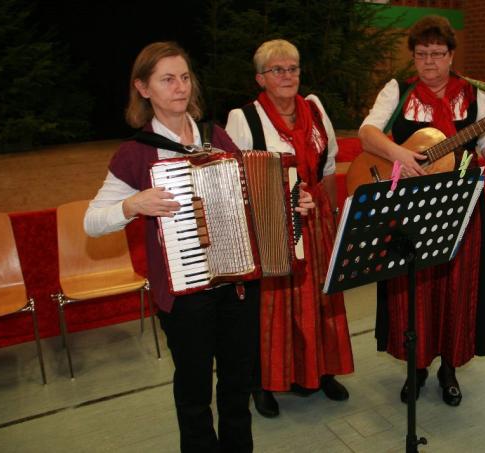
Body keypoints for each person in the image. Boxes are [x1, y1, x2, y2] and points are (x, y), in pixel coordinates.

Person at [83, 41, 315, 452]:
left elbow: (253, 193)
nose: (180, 87)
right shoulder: (135, 154)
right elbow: (93, 221)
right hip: (184, 295)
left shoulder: (216, 135)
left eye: (185, 77)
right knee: (193, 393)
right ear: (143, 88)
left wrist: (293, 202)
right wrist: (132, 204)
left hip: (238, 287)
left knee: (237, 385)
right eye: (167, 79)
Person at [358, 15, 485, 407]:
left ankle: (449, 367)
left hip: (461, 205)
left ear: (451, 55)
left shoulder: (477, 95)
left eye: (437, 54)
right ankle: (415, 367)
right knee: (410, 289)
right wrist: (399, 153)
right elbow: (367, 133)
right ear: (413, 56)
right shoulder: (397, 90)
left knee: (457, 288)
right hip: (408, 206)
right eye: (421, 54)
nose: (429, 62)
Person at [225, 39, 354, 418]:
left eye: (293, 68)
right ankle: (264, 383)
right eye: (277, 70)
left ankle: (319, 371)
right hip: (270, 223)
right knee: (274, 308)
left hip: (316, 219)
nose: (287, 76)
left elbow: (328, 168)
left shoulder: (314, 108)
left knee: (321, 299)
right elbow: (236, 182)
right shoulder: (244, 118)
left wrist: (329, 215)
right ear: (260, 78)